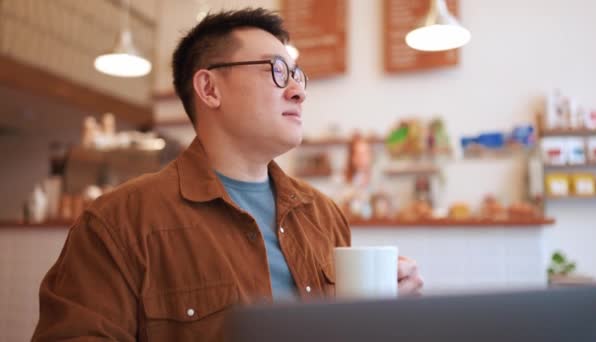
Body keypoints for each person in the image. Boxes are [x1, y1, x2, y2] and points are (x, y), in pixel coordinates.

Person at [32, 8, 423, 341]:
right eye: (276, 70)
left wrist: (382, 315)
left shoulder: (322, 214)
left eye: (296, 74)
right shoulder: (118, 223)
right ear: (209, 88)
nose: (298, 91)